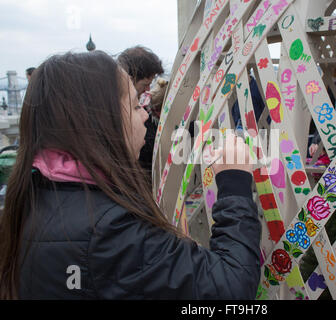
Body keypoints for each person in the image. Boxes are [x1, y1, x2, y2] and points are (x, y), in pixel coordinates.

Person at [0, 51, 261, 299]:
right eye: (136, 106)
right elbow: (232, 290)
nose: (146, 115)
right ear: (102, 122)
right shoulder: (111, 230)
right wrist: (234, 183)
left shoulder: (35, 198)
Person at [117, 46, 165, 174]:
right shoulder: (118, 113)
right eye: (145, 84)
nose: (148, 89)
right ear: (128, 79)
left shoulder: (140, 105)